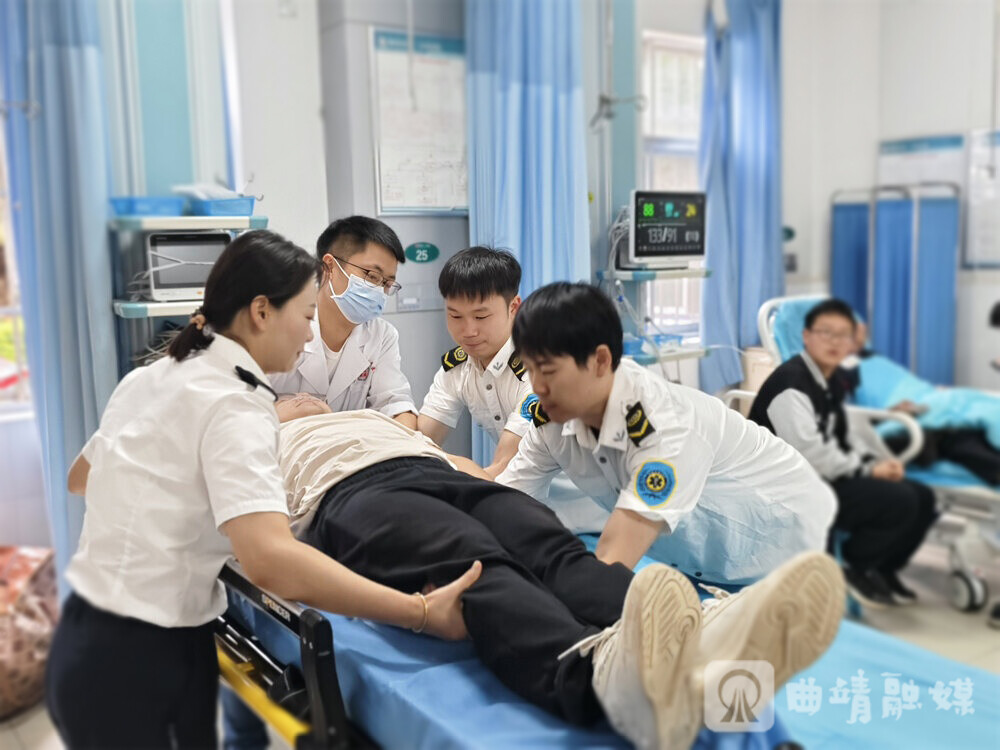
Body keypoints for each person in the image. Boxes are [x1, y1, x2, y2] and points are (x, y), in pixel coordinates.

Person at [45, 231, 479, 749]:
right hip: (139, 658)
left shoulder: (154, 377)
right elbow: (272, 562)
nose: (310, 331)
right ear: (260, 312)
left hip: (103, 634)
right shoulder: (239, 405)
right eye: (306, 315)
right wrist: (419, 613)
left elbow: (81, 478)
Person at [276, 395, 845, 750]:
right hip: (351, 494)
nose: (301, 395)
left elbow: (478, 467)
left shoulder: (378, 419)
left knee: (555, 549)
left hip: (442, 473)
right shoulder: (261, 438)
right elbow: (260, 537)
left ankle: (700, 635)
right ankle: (596, 677)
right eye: (287, 398)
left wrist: (477, 479)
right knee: (478, 566)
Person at [495, 282, 837, 587]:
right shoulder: (552, 420)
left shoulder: (665, 427)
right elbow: (507, 497)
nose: (537, 387)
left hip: (794, 543)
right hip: (708, 562)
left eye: (548, 371)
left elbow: (611, 561)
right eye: (530, 370)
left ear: (600, 360)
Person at [748, 298, 937, 608]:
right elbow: (810, 453)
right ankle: (855, 567)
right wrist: (868, 471)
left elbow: (845, 433)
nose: (835, 342)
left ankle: (883, 569)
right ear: (806, 337)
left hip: (821, 474)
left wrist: (876, 462)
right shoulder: (791, 384)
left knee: (924, 497)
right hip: (788, 485)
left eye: (843, 335)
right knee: (900, 500)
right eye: (826, 333)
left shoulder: (831, 380)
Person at [417, 246, 608, 530]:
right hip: (527, 506)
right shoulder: (458, 368)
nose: (468, 331)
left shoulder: (541, 368)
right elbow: (421, 438)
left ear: (513, 307)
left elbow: (506, 462)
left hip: (589, 513)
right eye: (455, 316)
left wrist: (443, 473)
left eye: (481, 317)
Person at [268, 215, 417, 427]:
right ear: (330, 267)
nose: (379, 291)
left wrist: (401, 438)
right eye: (372, 276)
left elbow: (398, 407)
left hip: (353, 446)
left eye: (386, 284)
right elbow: (240, 408)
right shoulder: (278, 325)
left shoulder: (382, 336)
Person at [842, 320, 1000, 487]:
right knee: (953, 436)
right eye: (850, 332)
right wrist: (889, 415)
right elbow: (850, 419)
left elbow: (911, 387)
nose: (861, 334)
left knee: (966, 428)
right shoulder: (841, 374)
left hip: (921, 405)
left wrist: (898, 408)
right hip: (904, 427)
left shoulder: (873, 359)